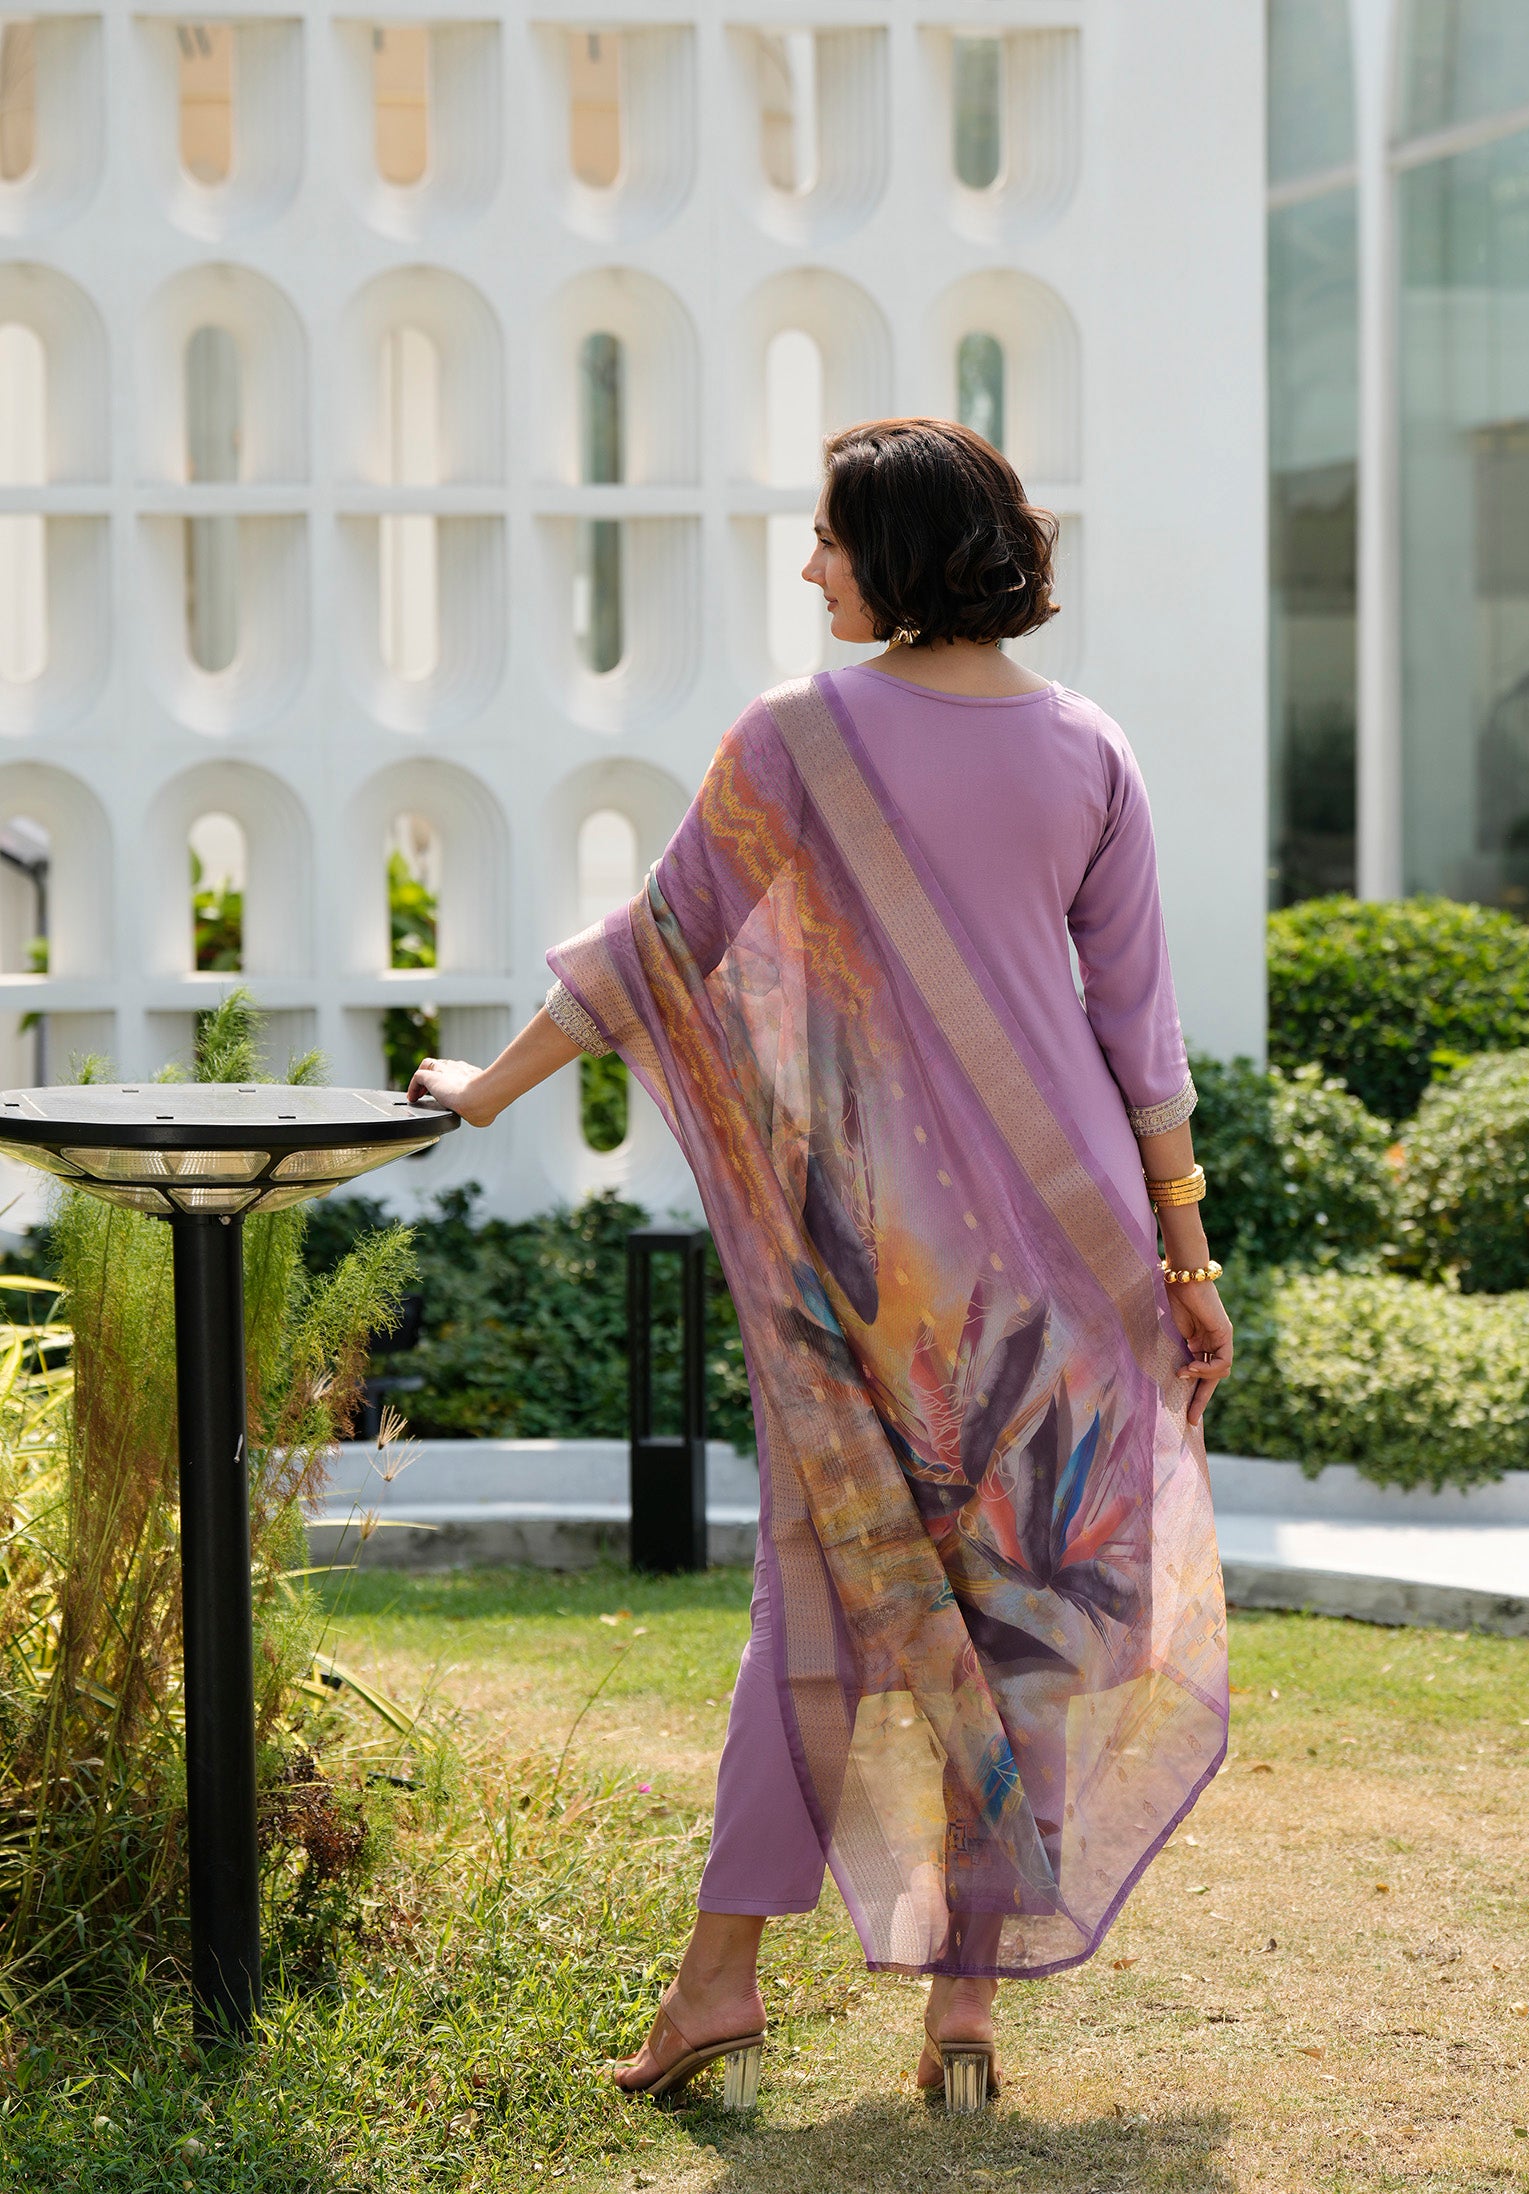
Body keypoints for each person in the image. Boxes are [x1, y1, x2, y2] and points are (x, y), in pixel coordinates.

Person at [409, 418, 1234, 2113]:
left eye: (830, 541)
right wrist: (1188, 1256)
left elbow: (656, 947)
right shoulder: (1089, 748)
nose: (809, 568)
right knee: (1029, 1612)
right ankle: (964, 2007)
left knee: (823, 1609)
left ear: (900, 553)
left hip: (881, 1282)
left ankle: (718, 1982)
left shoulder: (797, 736)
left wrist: (484, 1088)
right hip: (1074, 1254)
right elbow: (1139, 1033)